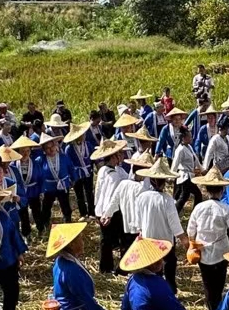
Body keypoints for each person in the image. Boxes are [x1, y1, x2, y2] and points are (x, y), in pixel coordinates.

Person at [187, 170, 229, 310]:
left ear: (206, 190)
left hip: (202, 251)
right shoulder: (226, 209)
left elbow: (190, 230)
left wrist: (192, 244)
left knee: (207, 283)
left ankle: (210, 309)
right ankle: (216, 309)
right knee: (219, 283)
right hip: (221, 251)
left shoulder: (199, 208)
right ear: (222, 190)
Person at [133, 157, 187, 291]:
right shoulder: (167, 200)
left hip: (148, 239)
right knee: (169, 263)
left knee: (152, 267)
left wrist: (140, 232)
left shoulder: (142, 197)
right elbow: (174, 223)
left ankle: (154, 289)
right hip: (165, 241)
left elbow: (138, 220)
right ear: (164, 182)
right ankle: (170, 288)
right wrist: (184, 239)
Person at [91, 140, 129, 275]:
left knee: (106, 240)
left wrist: (97, 209)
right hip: (112, 212)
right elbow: (113, 198)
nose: (123, 156)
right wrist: (108, 214)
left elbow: (98, 192)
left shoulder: (103, 169)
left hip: (101, 210)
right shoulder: (114, 176)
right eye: (120, 153)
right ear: (114, 156)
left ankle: (105, 267)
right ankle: (119, 268)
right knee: (121, 239)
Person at [33, 134, 74, 233]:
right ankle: (45, 224)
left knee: (65, 204)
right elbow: (36, 174)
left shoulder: (64, 157)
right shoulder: (40, 160)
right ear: (43, 150)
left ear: (56, 145)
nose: (51, 149)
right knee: (46, 206)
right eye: (47, 148)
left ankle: (68, 221)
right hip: (49, 187)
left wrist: (73, 179)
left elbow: (71, 168)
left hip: (63, 185)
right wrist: (40, 188)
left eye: (52, 146)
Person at [63, 123, 97, 220]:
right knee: (79, 193)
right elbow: (68, 163)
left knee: (89, 192)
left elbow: (93, 157)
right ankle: (83, 213)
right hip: (76, 174)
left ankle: (92, 212)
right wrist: (71, 176)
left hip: (88, 172)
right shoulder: (69, 149)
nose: (83, 136)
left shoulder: (88, 145)